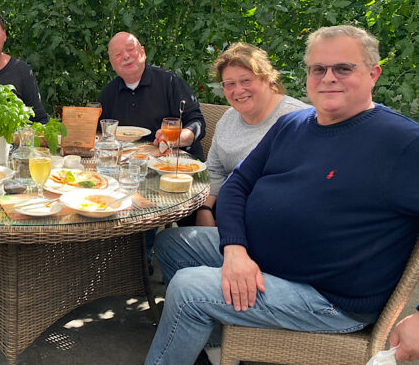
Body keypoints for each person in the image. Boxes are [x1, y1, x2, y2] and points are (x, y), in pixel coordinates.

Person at [145, 25, 419, 365]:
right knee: (172, 246)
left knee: (190, 288)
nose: (328, 77)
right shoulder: (295, 124)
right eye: (318, 69)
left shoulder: (402, 142)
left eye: (343, 68)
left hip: (326, 297)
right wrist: (235, 249)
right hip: (260, 259)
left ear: (373, 74)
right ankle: (214, 348)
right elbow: (236, 186)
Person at [197, 43, 307, 227]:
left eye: (246, 80)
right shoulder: (228, 118)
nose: (238, 90)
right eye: (229, 84)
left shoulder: (297, 121)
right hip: (226, 212)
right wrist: (205, 210)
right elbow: (214, 169)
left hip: (265, 226)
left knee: (169, 244)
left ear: (267, 78)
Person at [99, 32, 206, 160]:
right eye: (118, 54)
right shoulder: (108, 93)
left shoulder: (170, 82)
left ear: (143, 53)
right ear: (112, 64)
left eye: (130, 49)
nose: (126, 56)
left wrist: (179, 137)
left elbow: (197, 122)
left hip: (175, 161)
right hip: (128, 163)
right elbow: (98, 133)